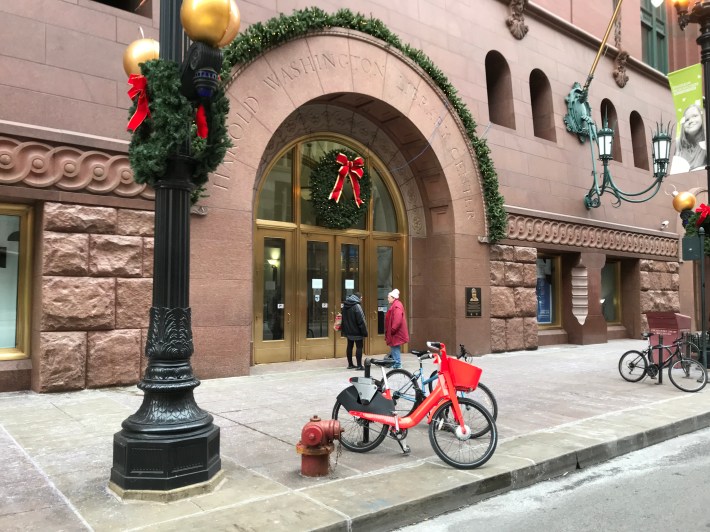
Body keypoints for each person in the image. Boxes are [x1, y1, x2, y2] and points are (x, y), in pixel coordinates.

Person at [671, 103, 707, 174]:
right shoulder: (677, 144)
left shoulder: (706, 141)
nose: (690, 121)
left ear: (702, 117)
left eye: (695, 116)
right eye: (687, 120)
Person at [341, 292, 368, 370]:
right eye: (361, 297)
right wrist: (364, 331)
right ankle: (359, 365)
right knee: (359, 347)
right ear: (357, 298)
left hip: (348, 331)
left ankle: (350, 364)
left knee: (349, 346)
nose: (362, 299)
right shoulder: (357, 306)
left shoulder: (345, 306)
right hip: (357, 331)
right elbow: (361, 320)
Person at [384, 288, 409, 369]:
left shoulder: (397, 306)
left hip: (396, 332)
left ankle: (397, 363)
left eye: (389, 297)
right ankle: (396, 362)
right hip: (395, 331)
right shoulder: (396, 305)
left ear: (393, 297)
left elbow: (397, 320)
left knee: (395, 347)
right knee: (394, 346)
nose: (388, 299)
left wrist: (392, 329)